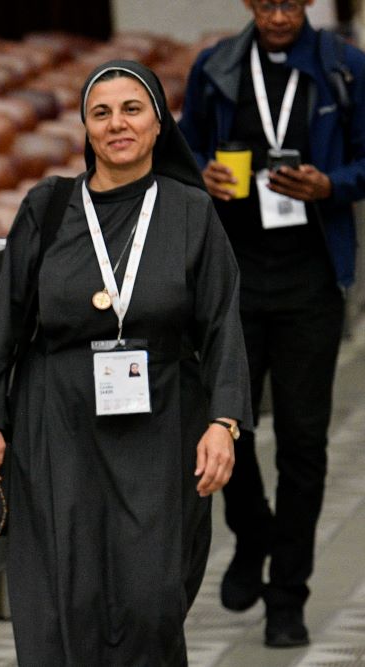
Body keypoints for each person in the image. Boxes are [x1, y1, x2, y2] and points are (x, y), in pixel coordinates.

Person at [0, 61, 252, 665]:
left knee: (152, 596)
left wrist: (224, 422)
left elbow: (223, 324)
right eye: (101, 112)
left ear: (159, 123)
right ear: (85, 129)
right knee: (65, 593)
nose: (118, 124)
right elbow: (3, 319)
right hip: (56, 423)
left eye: (132, 109)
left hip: (161, 420)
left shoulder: (191, 211)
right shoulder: (48, 206)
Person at [178, 0, 365, 647]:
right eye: (266, 2)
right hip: (232, 276)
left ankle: (289, 592)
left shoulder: (344, 67)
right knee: (227, 419)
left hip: (311, 277)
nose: (279, 14)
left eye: (290, 2)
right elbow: (185, 145)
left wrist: (331, 184)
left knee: (304, 444)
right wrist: (203, 174)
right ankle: (252, 528)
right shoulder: (216, 66)